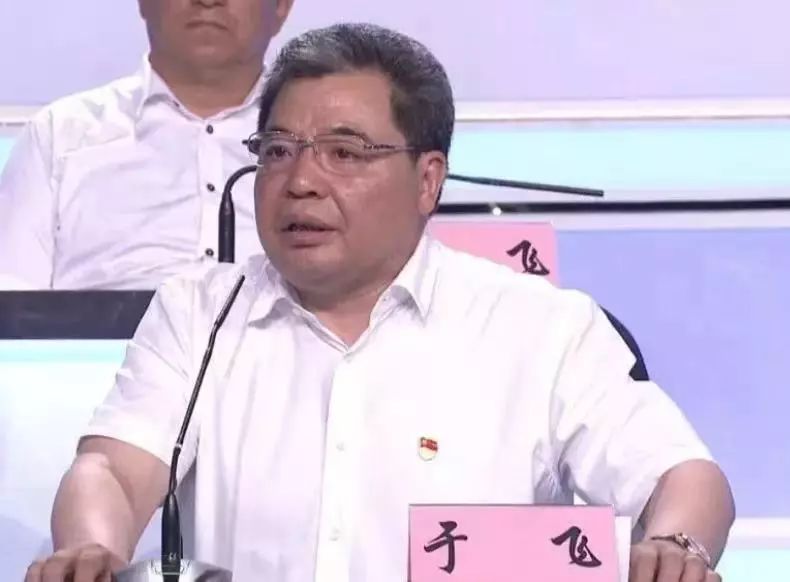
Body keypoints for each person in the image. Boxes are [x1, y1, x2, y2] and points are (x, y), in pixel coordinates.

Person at [26, 23, 735, 582]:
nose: (301, 181)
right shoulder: (199, 312)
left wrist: (676, 545)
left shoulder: (542, 328)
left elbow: (683, 476)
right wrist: (91, 548)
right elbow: (112, 470)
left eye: (344, 153)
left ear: (428, 180)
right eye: (278, 150)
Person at [0, 0, 294, 290]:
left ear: (281, 6)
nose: (207, 2)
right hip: (103, 321)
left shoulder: (311, 142)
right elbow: (12, 297)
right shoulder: (58, 135)